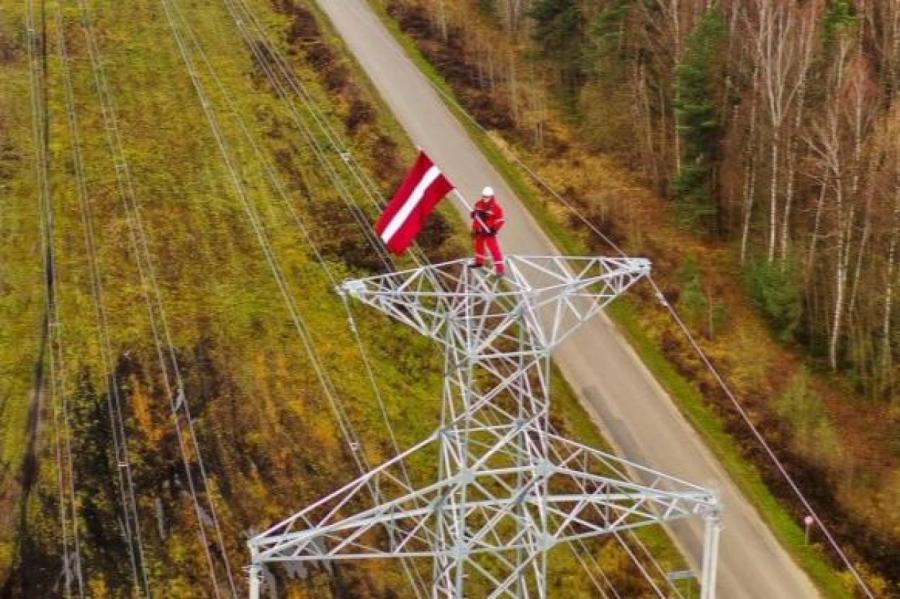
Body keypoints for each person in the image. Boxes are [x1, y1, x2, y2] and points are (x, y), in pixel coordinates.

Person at [469, 186, 505, 275]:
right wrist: (473, 219)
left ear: (491, 196)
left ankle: (500, 269)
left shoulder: (496, 208)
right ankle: (479, 262)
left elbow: (500, 220)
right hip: (480, 230)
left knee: (494, 249)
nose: (485, 198)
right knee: (479, 246)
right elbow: (475, 217)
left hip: (489, 231)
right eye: (484, 196)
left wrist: (494, 229)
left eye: (487, 197)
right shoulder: (478, 204)